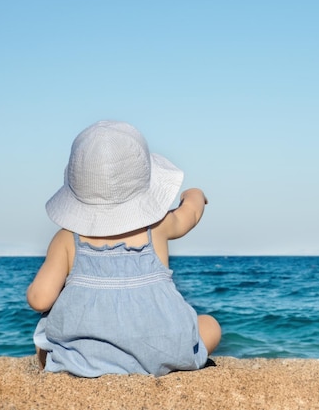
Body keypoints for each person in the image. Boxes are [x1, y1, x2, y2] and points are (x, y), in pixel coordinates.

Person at [26, 120, 221, 377]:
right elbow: (191, 214)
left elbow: (40, 299)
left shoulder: (66, 239)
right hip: (162, 352)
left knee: (45, 343)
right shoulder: (159, 226)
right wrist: (194, 194)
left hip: (86, 359)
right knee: (210, 326)